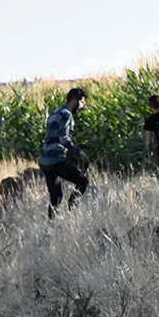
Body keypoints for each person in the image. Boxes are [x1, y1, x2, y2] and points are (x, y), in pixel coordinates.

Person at [38, 88, 90, 219]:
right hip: (55, 159)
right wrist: (79, 153)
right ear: (74, 100)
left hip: (44, 160)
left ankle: (51, 226)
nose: (82, 106)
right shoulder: (67, 114)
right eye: (82, 102)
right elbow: (63, 139)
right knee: (82, 181)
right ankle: (72, 210)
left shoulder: (54, 113)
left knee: (55, 197)